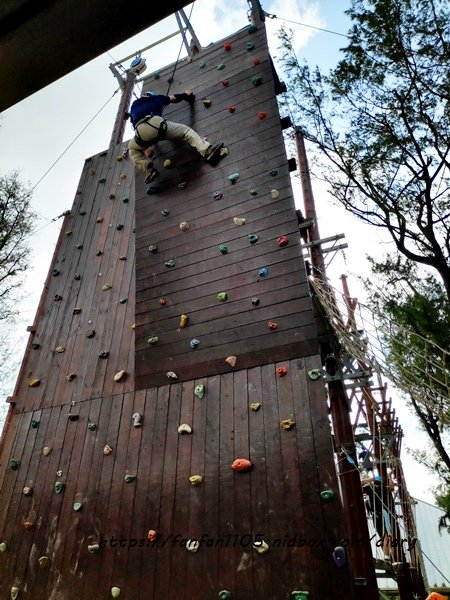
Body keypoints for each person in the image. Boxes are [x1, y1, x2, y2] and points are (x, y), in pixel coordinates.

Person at [125, 90, 225, 184]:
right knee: (186, 131)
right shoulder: (156, 98)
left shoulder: (134, 105)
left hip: (140, 131)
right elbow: (174, 98)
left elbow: (133, 120)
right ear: (150, 95)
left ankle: (149, 171)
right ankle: (207, 151)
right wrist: (186, 95)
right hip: (156, 124)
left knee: (132, 149)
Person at [361, 473, 395, 560]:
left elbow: (359, 484)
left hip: (376, 515)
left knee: (383, 536)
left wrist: (369, 479)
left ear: (374, 482)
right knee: (386, 535)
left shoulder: (370, 488)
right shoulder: (383, 489)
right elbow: (392, 487)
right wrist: (389, 477)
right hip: (382, 514)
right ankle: (387, 555)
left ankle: (387, 555)